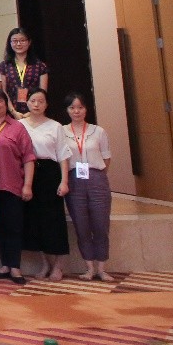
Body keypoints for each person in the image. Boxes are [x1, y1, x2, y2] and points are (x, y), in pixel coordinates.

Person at [0, 87, 35, 284]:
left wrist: (27, 185)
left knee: (13, 226)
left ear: (7, 104)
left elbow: (28, 157)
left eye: (0, 101)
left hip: (11, 184)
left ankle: (15, 268)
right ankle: (5, 265)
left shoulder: (17, 127)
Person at [21, 88, 72, 281]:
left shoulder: (55, 126)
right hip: (28, 174)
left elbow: (63, 155)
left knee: (53, 219)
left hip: (50, 174)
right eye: (33, 101)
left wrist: (64, 181)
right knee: (35, 221)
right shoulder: (20, 125)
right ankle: (45, 264)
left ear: (46, 104)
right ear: (27, 103)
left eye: (41, 101)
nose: (36, 105)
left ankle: (58, 265)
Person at [63, 92, 113, 281]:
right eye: (72, 107)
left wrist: (96, 175)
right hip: (74, 180)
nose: (76, 111)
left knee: (101, 224)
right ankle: (89, 268)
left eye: (80, 107)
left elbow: (106, 158)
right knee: (81, 225)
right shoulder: (62, 131)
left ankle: (101, 268)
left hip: (96, 179)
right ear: (67, 110)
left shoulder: (98, 131)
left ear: (86, 109)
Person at [0, 27, 49, 119]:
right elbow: (3, 91)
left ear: (29, 42)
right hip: (11, 113)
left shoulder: (40, 66)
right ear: (10, 43)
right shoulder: (4, 66)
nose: (18, 44)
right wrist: (13, 112)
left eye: (22, 40)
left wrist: (31, 112)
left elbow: (42, 92)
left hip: (35, 113)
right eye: (15, 41)